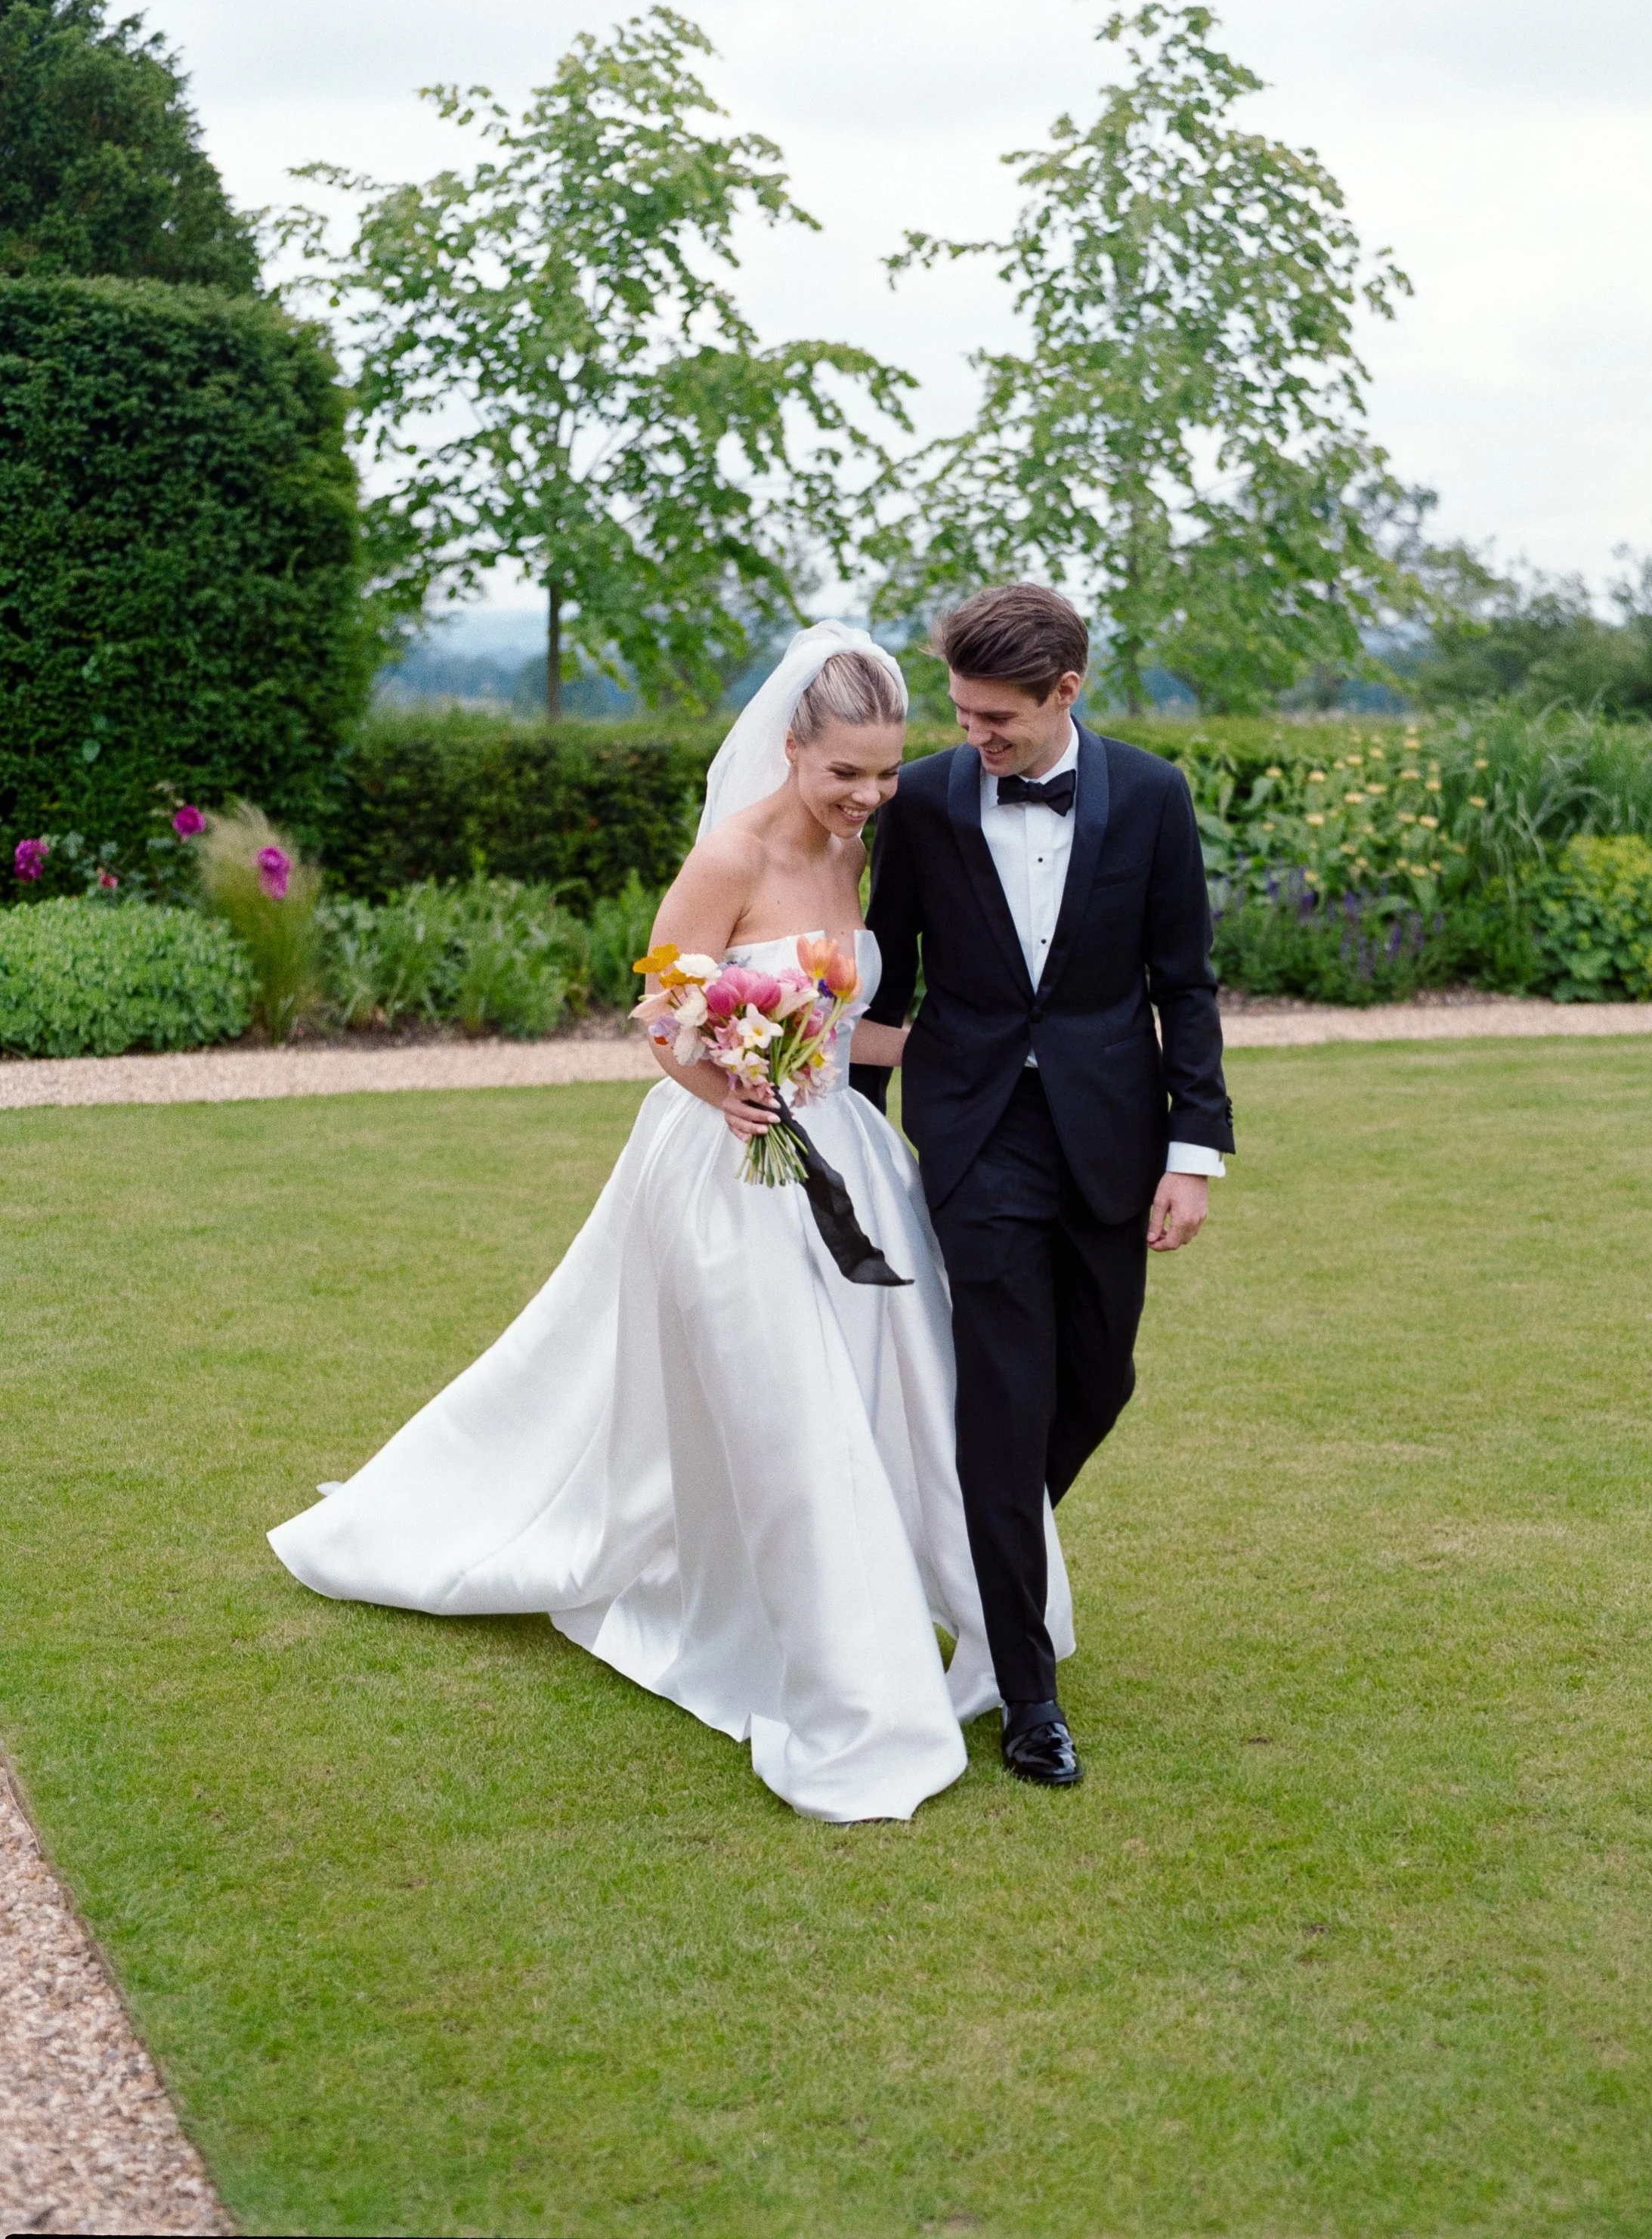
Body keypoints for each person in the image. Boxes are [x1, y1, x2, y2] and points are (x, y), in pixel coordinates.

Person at [268, 624, 1075, 1826]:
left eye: (887, 770)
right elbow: (661, 1015)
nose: (866, 794)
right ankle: (841, 1678)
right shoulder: (730, 852)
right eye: (843, 769)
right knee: (785, 1404)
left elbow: (848, 1026)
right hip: (725, 1163)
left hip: (843, 1152)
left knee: (905, 1385)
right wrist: (728, 1086)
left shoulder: (867, 851)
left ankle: (961, 1614)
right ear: (792, 745)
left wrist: (993, 1047)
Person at [861, 583, 1233, 1788]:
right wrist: (855, 1148)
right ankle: (1026, 1690)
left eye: (997, 718)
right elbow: (886, 985)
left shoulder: (1155, 798)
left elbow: (1186, 982)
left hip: (1110, 1134)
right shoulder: (919, 800)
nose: (976, 736)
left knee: (1100, 1376)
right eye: (963, 714)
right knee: (1007, 1395)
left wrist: (1193, 1149)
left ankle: (986, 1548)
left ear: (1066, 691)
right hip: (975, 1137)